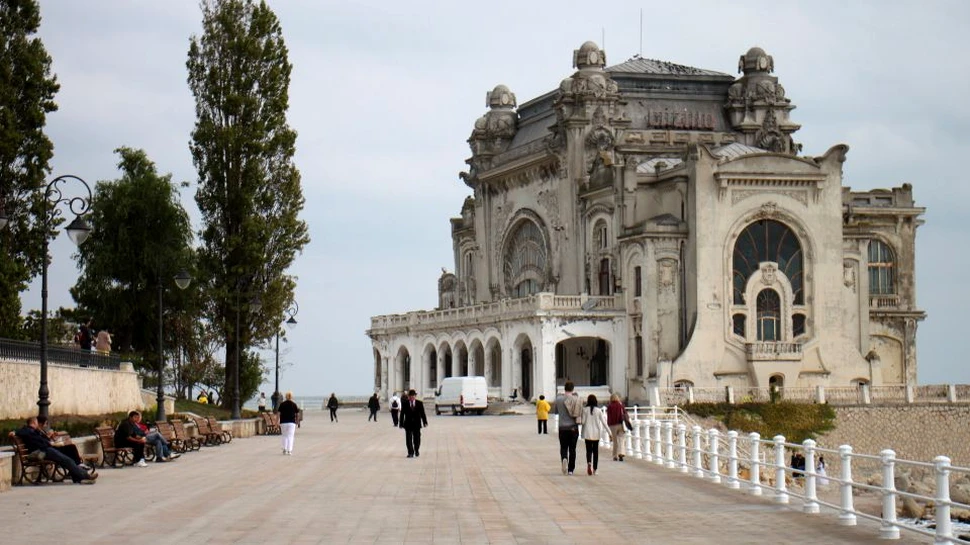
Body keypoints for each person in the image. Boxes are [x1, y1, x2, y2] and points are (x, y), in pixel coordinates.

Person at [15, 417, 97, 484]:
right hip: (43, 451)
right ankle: (85, 476)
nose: (37, 424)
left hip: (47, 449)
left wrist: (49, 438)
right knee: (67, 460)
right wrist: (14, 432)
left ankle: (80, 477)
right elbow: (20, 432)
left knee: (68, 459)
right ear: (33, 423)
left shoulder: (35, 431)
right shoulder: (27, 430)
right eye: (36, 422)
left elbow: (44, 440)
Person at [551, 380, 583, 475]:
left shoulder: (558, 399)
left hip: (562, 427)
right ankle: (570, 470)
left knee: (563, 447)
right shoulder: (576, 399)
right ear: (573, 389)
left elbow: (556, 411)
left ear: (564, 388)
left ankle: (564, 458)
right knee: (572, 449)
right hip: (573, 427)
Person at [581, 394, 610, 475]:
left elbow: (582, 422)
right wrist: (610, 433)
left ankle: (589, 463)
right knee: (596, 451)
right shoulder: (598, 410)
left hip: (587, 433)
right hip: (596, 434)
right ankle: (595, 469)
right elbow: (604, 423)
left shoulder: (585, 410)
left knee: (588, 450)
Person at [399, 389, 428, 458]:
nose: (412, 397)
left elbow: (422, 413)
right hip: (408, 424)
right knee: (408, 439)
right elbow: (402, 414)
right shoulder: (405, 403)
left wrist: (425, 422)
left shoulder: (419, 403)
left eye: (413, 396)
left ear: (415, 396)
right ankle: (410, 452)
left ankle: (416, 450)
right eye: (410, 396)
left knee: (417, 438)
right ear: (408, 396)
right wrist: (401, 423)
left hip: (417, 424)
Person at [606, 393, 629, 461]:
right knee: (621, 439)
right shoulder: (620, 405)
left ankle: (615, 455)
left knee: (615, 441)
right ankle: (621, 453)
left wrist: (609, 424)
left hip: (613, 425)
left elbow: (609, 417)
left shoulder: (609, 406)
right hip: (620, 424)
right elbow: (625, 413)